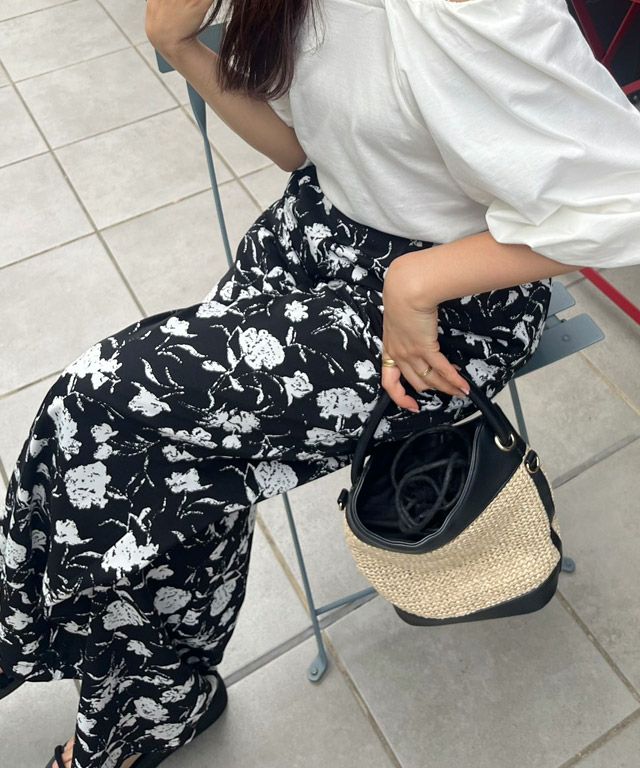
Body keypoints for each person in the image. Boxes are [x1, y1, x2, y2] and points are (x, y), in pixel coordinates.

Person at [2, 0, 639, 766]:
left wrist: (416, 282)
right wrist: (177, 41)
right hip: (320, 236)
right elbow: (301, 151)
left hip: (455, 300)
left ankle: (99, 679)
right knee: (133, 451)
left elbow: (624, 198)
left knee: (105, 407)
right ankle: (135, 689)